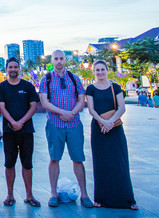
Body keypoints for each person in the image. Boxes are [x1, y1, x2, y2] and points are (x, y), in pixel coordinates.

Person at [38, 50, 96, 208]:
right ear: (52, 60)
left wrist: (72, 113)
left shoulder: (74, 78)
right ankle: (53, 193)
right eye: (56, 59)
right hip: (55, 124)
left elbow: (81, 99)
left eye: (61, 59)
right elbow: (44, 102)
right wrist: (62, 112)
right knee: (54, 158)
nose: (58, 62)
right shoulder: (47, 79)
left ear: (65, 60)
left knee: (78, 158)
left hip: (74, 124)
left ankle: (84, 194)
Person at [85, 60, 137, 210]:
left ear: (107, 70)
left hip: (115, 128)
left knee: (120, 161)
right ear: (94, 72)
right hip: (98, 128)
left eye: (102, 69)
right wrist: (103, 122)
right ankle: (100, 198)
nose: (100, 72)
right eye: (97, 70)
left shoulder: (115, 87)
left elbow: (122, 107)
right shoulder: (91, 88)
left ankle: (128, 199)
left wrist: (111, 122)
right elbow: (91, 110)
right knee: (101, 163)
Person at [0, 57, 40, 208]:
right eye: (10, 67)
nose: (13, 69)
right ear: (6, 69)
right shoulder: (1, 87)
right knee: (9, 163)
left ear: (19, 69)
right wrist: (13, 122)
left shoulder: (27, 86)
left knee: (27, 163)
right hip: (9, 131)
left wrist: (21, 122)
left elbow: (33, 106)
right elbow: (1, 107)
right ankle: (10, 195)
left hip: (26, 130)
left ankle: (29, 195)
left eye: (15, 67)